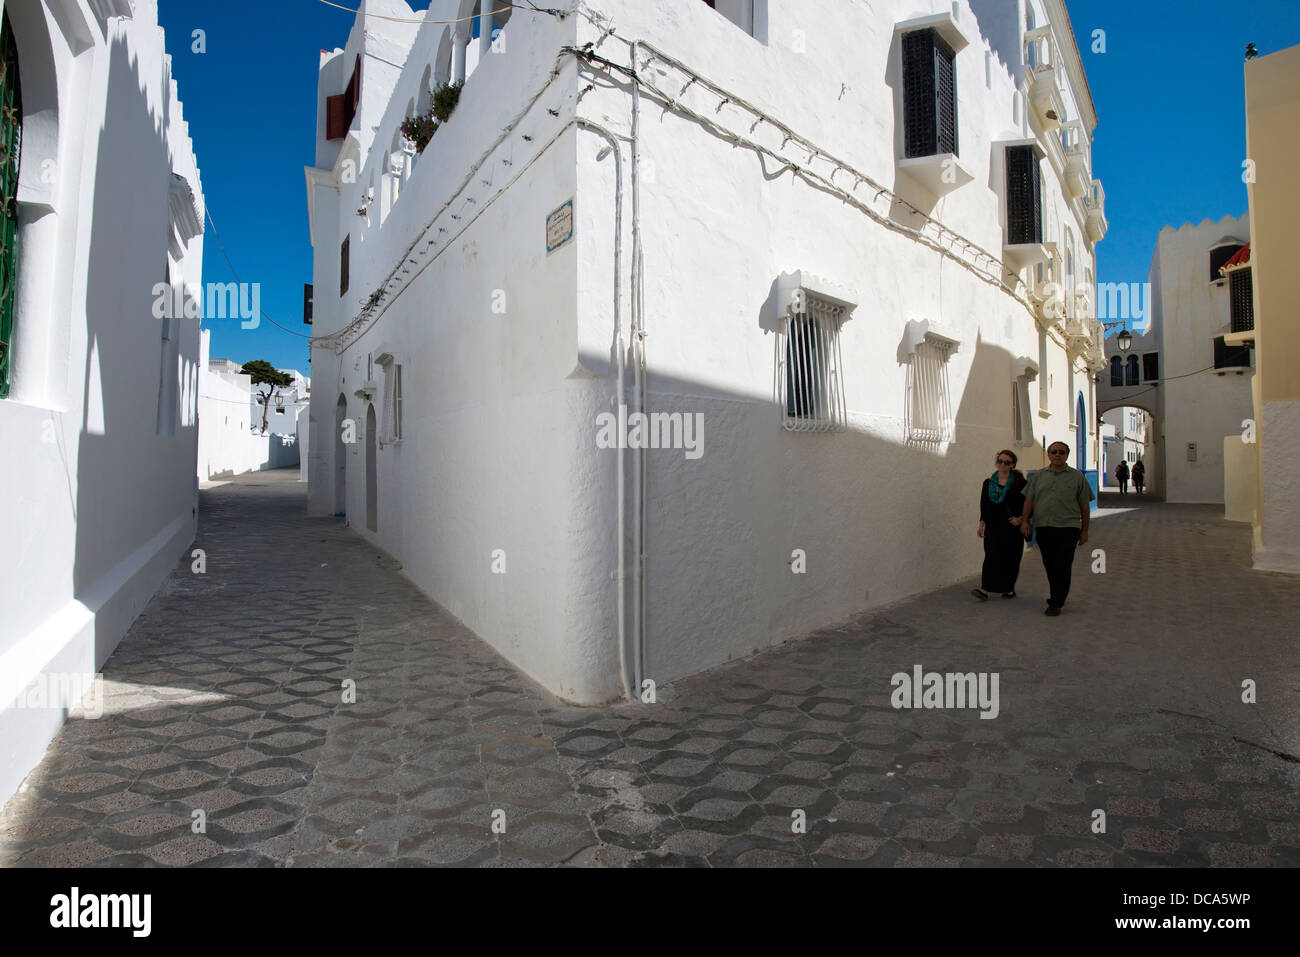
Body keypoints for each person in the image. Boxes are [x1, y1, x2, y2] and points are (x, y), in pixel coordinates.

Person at [1019, 441, 1095, 615]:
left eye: (1061, 452)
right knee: (1050, 564)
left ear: (1067, 455)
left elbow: (1084, 505)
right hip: (1044, 526)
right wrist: (1024, 521)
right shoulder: (1039, 476)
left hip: (1069, 527)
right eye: (1054, 452)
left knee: (1063, 564)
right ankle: (1058, 594)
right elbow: (1029, 499)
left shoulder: (1077, 477)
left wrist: (1085, 530)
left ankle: (1056, 601)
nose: (1057, 455)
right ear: (1049, 455)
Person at [972, 450, 1028, 601]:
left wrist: (1021, 519)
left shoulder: (1020, 483)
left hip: (1012, 527)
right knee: (991, 555)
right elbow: (984, 504)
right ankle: (984, 589)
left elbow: (1029, 503)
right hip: (993, 525)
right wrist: (981, 524)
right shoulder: (989, 483)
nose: (1002, 464)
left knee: (1011, 557)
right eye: (1000, 461)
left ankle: (1009, 588)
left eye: (1007, 462)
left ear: (1012, 465)